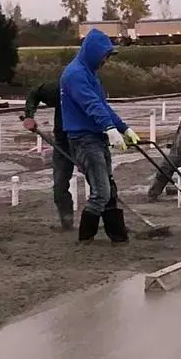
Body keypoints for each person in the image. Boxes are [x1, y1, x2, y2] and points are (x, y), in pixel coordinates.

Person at [58, 28, 139, 243]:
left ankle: (118, 236)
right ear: (94, 53)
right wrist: (109, 129)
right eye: (105, 56)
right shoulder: (75, 75)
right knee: (101, 191)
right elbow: (91, 105)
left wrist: (123, 128)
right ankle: (85, 237)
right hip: (83, 139)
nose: (106, 61)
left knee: (109, 188)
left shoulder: (89, 74)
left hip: (96, 137)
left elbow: (103, 106)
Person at [20, 73, 76, 229]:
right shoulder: (61, 88)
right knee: (59, 185)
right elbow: (35, 93)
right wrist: (28, 116)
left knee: (101, 184)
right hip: (63, 142)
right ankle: (67, 221)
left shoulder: (92, 87)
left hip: (88, 142)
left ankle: (112, 224)